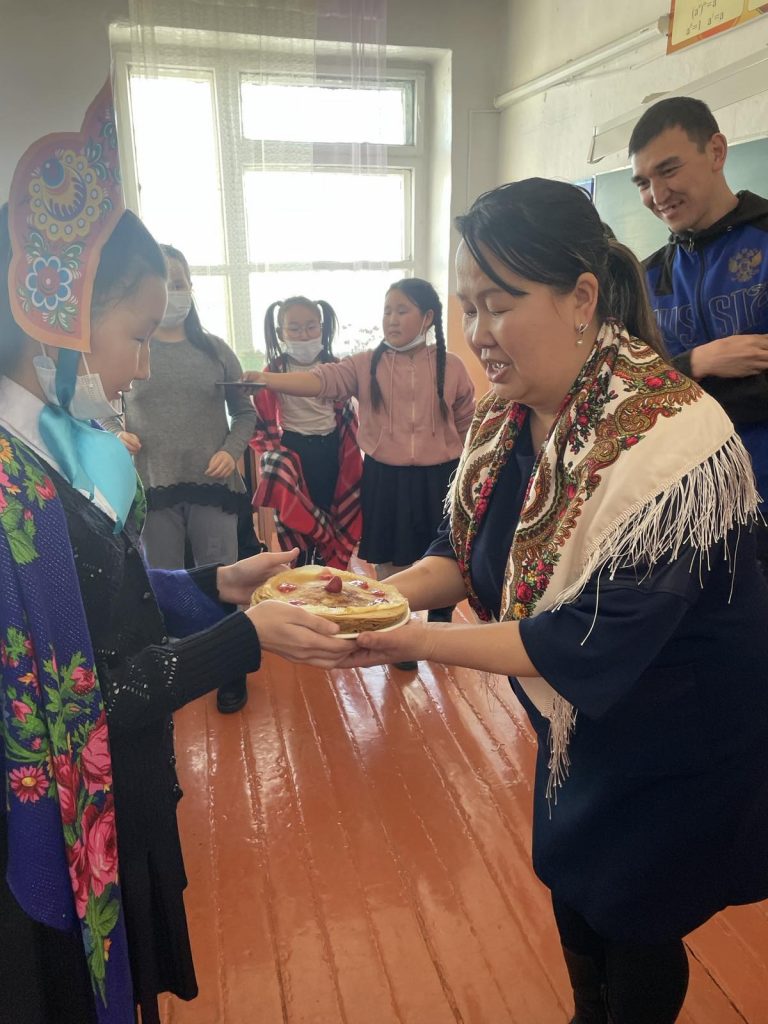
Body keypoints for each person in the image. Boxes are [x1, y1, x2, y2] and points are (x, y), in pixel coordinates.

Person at [341, 179, 768, 1023]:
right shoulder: (511, 417)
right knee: (573, 876)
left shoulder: (670, 441)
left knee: (634, 908)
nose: (477, 332)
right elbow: (460, 552)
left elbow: (585, 640)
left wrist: (404, 641)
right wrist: (370, 600)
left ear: (580, 298)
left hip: (679, 729)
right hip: (583, 721)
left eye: (498, 306)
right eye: (467, 307)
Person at [0, 90, 353, 1024]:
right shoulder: (10, 490)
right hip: (70, 824)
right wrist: (248, 636)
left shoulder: (52, 445)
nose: (145, 365)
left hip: (128, 790)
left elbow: (98, 602)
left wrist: (216, 584)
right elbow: (75, 705)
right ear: (55, 321)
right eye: (134, 334)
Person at [244, 278, 476, 665]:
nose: (392, 319)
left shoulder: (451, 366)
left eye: (401, 311)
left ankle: (441, 616)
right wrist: (267, 379)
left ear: (427, 317)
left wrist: (467, 464)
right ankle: (395, 627)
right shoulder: (366, 363)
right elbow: (320, 380)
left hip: (441, 477)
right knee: (390, 556)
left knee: (442, 553)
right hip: (385, 477)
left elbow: (468, 417)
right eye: (387, 311)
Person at [106, 243, 256, 713]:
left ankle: (231, 669)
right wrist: (116, 433)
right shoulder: (130, 348)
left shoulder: (215, 350)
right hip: (153, 487)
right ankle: (177, 670)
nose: (173, 293)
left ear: (191, 287)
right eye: (164, 283)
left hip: (213, 487)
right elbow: (104, 407)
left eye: (179, 283)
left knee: (224, 579)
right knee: (164, 585)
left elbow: (246, 413)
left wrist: (231, 451)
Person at [628, 96, 768, 573]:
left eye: (668, 170)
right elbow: (628, 394)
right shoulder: (646, 278)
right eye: (642, 182)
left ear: (716, 152)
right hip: (688, 511)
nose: (656, 193)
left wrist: (682, 388)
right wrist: (697, 363)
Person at [249, 295, 362, 569]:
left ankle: (329, 569)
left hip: (332, 449)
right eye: (295, 328)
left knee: (330, 514)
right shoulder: (274, 371)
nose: (304, 334)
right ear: (281, 333)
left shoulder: (336, 367)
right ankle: (300, 570)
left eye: (311, 327)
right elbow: (262, 419)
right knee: (297, 519)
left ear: (321, 328)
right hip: (294, 450)